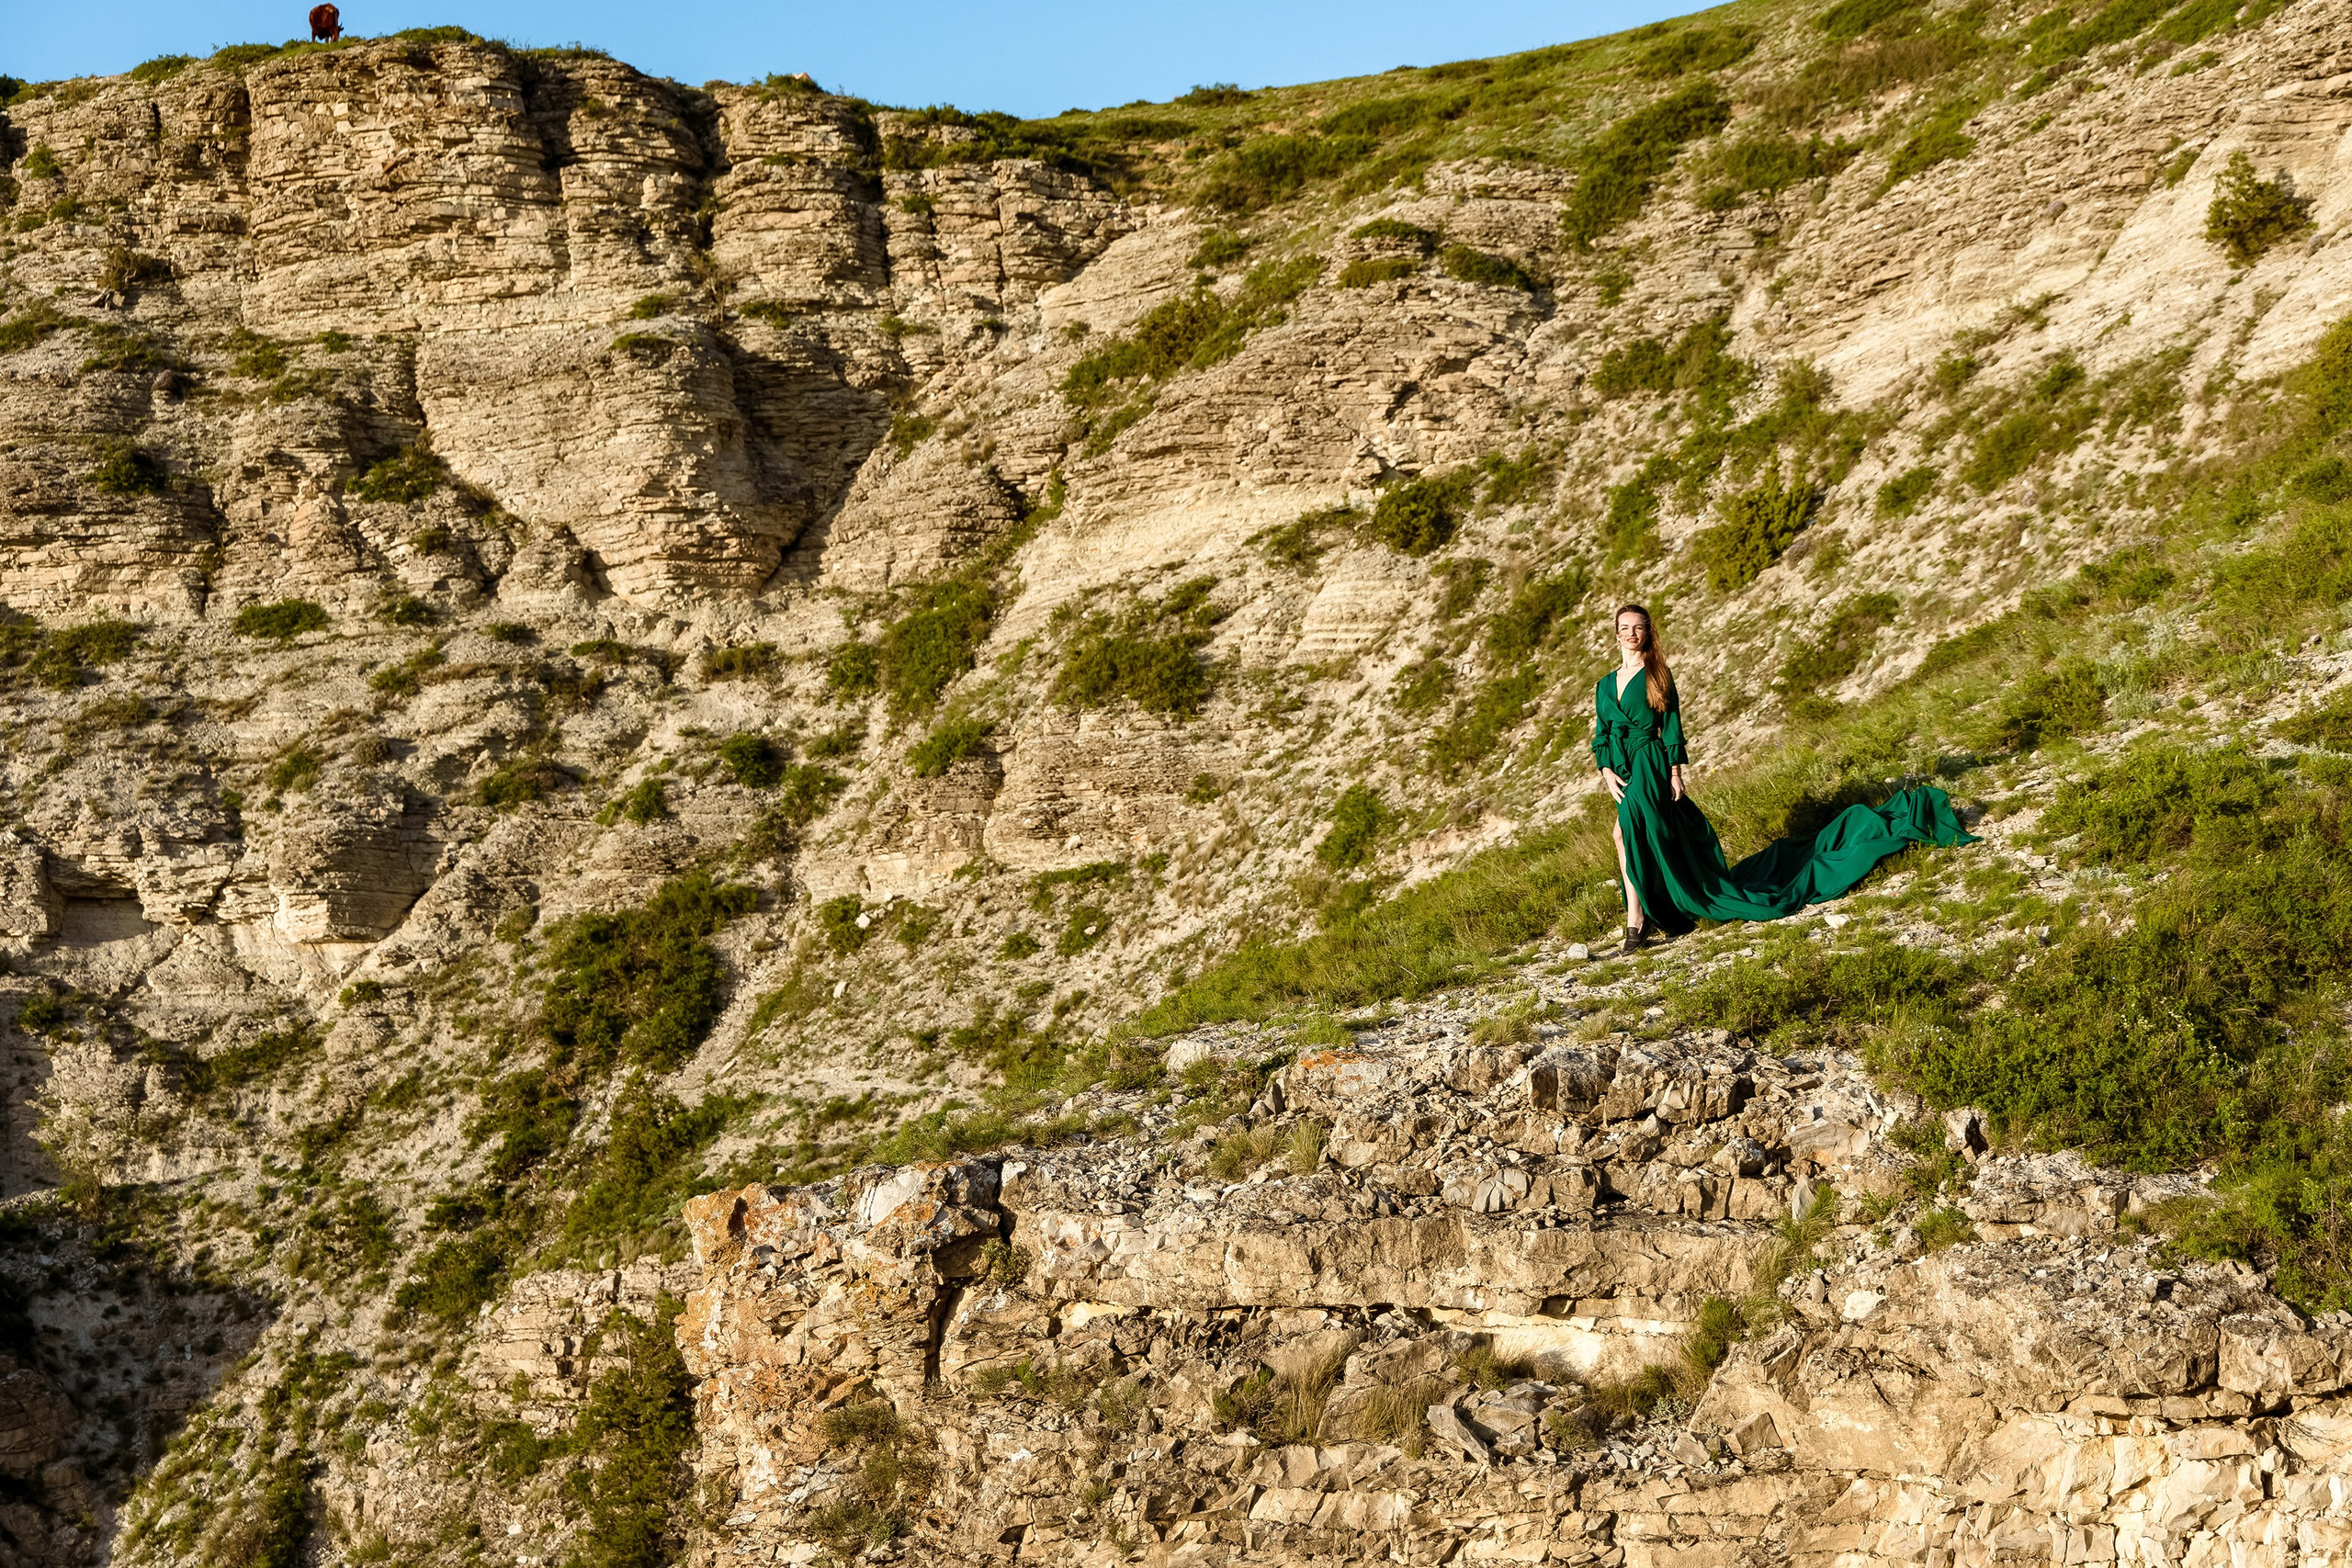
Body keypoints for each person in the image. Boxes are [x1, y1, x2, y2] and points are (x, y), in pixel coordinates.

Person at [1591, 603, 1973, 951]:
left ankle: (1636, 923)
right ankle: (1646, 916)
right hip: (1622, 769)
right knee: (1634, 836)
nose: (1631, 634)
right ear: (1615, 632)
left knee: (1623, 833)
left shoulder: (1658, 674)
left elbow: (1671, 727)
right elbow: (1603, 733)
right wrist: (1607, 770)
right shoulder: (1605, 685)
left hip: (1651, 763)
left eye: (1638, 627)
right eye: (1624, 627)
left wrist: (1675, 772)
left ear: (1648, 632)